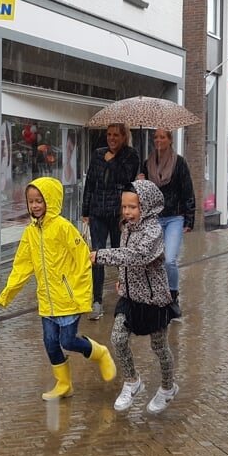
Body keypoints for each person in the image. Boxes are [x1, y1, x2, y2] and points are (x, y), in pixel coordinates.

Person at [0, 177, 116, 400]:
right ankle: (64, 384)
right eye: (31, 201)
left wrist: (82, 297)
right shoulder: (30, 232)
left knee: (67, 341)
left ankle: (99, 352)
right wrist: (8, 293)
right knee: (50, 343)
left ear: (50, 201)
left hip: (68, 299)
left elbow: (83, 261)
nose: (34, 206)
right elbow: (23, 265)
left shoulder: (64, 228)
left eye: (39, 201)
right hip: (47, 300)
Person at [92, 181, 179, 414]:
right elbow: (126, 260)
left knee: (159, 347)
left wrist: (100, 255)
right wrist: (122, 278)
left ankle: (168, 387)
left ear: (147, 206)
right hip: (130, 298)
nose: (127, 212)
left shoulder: (153, 232)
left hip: (154, 300)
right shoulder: (127, 228)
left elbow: (136, 255)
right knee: (118, 338)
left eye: (133, 207)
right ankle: (132, 382)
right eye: (124, 207)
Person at [81, 122, 140, 320]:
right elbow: (90, 182)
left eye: (116, 135)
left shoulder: (131, 156)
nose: (111, 138)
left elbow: (125, 178)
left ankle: (128, 296)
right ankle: (96, 301)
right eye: (109, 134)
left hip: (118, 213)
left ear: (124, 137)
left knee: (119, 254)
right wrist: (86, 210)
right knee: (97, 255)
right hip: (98, 211)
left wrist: (112, 161)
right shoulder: (98, 153)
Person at [142, 128, 196, 312]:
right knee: (155, 260)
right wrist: (140, 181)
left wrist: (189, 219)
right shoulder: (147, 164)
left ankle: (173, 296)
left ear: (170, 140)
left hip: (174, 217)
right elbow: (140, 194)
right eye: (155, 137)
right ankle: (158, 296)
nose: (158, 140)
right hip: (154, 218)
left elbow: (188, 191)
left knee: (169, 260)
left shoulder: (179, 163)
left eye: (162, 137)